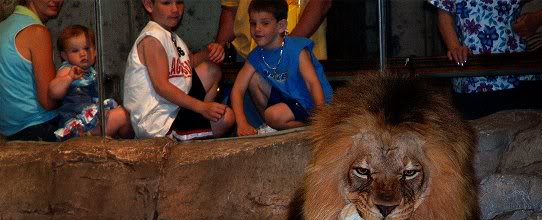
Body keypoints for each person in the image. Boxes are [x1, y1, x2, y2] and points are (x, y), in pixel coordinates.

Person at [123, 0, 234, 140]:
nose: (175, 9)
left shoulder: (172, 36)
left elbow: (189, 63)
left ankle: (198, 126)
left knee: (212, 70)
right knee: (226, 117)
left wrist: (210, 52)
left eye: (179, 2)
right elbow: (161, 86)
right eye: (166, 3)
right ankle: (194, 134)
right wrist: (202, 107)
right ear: (149, 5)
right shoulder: (152, 39)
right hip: (159, 123)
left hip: (175, 109)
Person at [427, 0, 542, 120]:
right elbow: (443, 15)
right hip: (472, 73)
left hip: (520, 69)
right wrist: (455, 47)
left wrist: (539, 18)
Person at [230, 0, 332, 136]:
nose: (257, 29)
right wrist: (242, 123)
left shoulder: (297, 49)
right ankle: (272, 125)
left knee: (273, 115)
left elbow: (312, 83)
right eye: (253, 23)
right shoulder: (256, 55)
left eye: (265, 23)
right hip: (289, 102)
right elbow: (237, 89)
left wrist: (321, 116)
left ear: (281, 26)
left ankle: (309, 127)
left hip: (311, 103)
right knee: (253, 79)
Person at [0, 0, 65, 141]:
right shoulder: (37, 32)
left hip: (8, 131)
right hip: (37, 127)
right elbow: (48, 102)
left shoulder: (1, 28)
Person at [50, 25, 133, 140]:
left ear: (95, 52)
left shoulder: (91, 71)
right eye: (75, 51)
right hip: (78, 124)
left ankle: (121, 140)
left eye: (87, 48)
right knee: (121, 115)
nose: (83, 54)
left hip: (94, 119)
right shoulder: (68, 70)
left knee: (126, 114)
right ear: (64, 56)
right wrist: (69, 78)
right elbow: (53, 92)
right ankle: (90, 137)